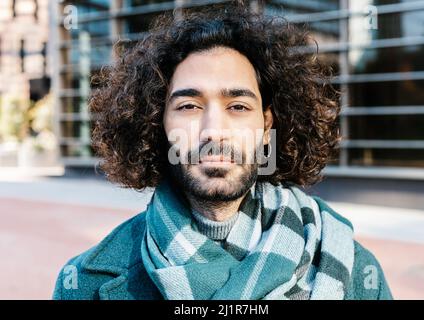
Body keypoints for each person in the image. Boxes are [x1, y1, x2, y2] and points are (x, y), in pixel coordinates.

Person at [53, 2, 392, 300]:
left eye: (238, 107)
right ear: (158, 125)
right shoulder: (84, 285)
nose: (213, 130)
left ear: (265, 127)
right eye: (188, 106)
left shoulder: (354, 272)